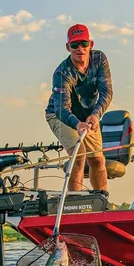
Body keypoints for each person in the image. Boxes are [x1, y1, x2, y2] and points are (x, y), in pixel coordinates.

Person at [46, 24, 113, 192]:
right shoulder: (62, 73)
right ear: (68, 47)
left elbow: (106, 92)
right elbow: (61, 108)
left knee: (98, 160)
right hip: (60, 115)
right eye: (75, 45)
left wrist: (96, 115)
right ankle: (74, 202)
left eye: (84, 44)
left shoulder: (99, 59)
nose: (80, 49)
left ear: (91, 44)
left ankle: (102, 199)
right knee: (79, 155)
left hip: (88, 116)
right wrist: (77, 124)